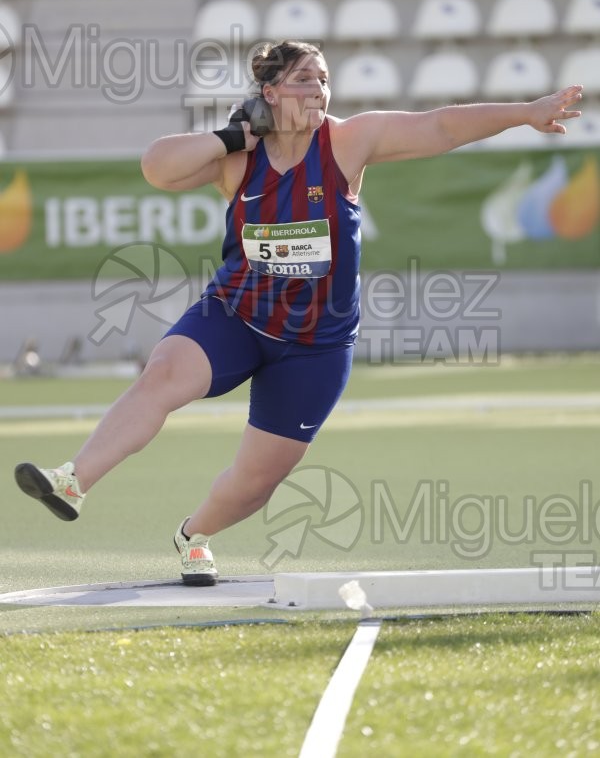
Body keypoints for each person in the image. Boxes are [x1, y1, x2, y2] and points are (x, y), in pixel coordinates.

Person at [14, 40, 583, 586]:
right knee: (162, 374)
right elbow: (157, 168)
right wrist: (231, 133)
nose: (319, 90)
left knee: (257, 482)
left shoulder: (347, 143)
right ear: (268, 91)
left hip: (315, 346)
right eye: (304, 79)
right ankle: (73, 481)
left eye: (325, 80)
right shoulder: (238, 159)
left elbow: (438, 126)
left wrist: (524, 112)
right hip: (234, 316)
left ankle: (195, 534)